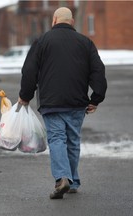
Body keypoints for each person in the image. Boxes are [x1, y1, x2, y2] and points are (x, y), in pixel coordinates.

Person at [18, 7, 107, 199]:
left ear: (54, 20)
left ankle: (62, 179)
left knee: (57, 138)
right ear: (72, 22)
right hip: (77, 103)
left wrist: (25, 95)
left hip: (51, 102)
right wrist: (96, 98)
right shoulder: (85, 42)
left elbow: (29, 71)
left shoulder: (42, 41)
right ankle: (72, 181)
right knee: (73, 141)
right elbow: (98, 71)